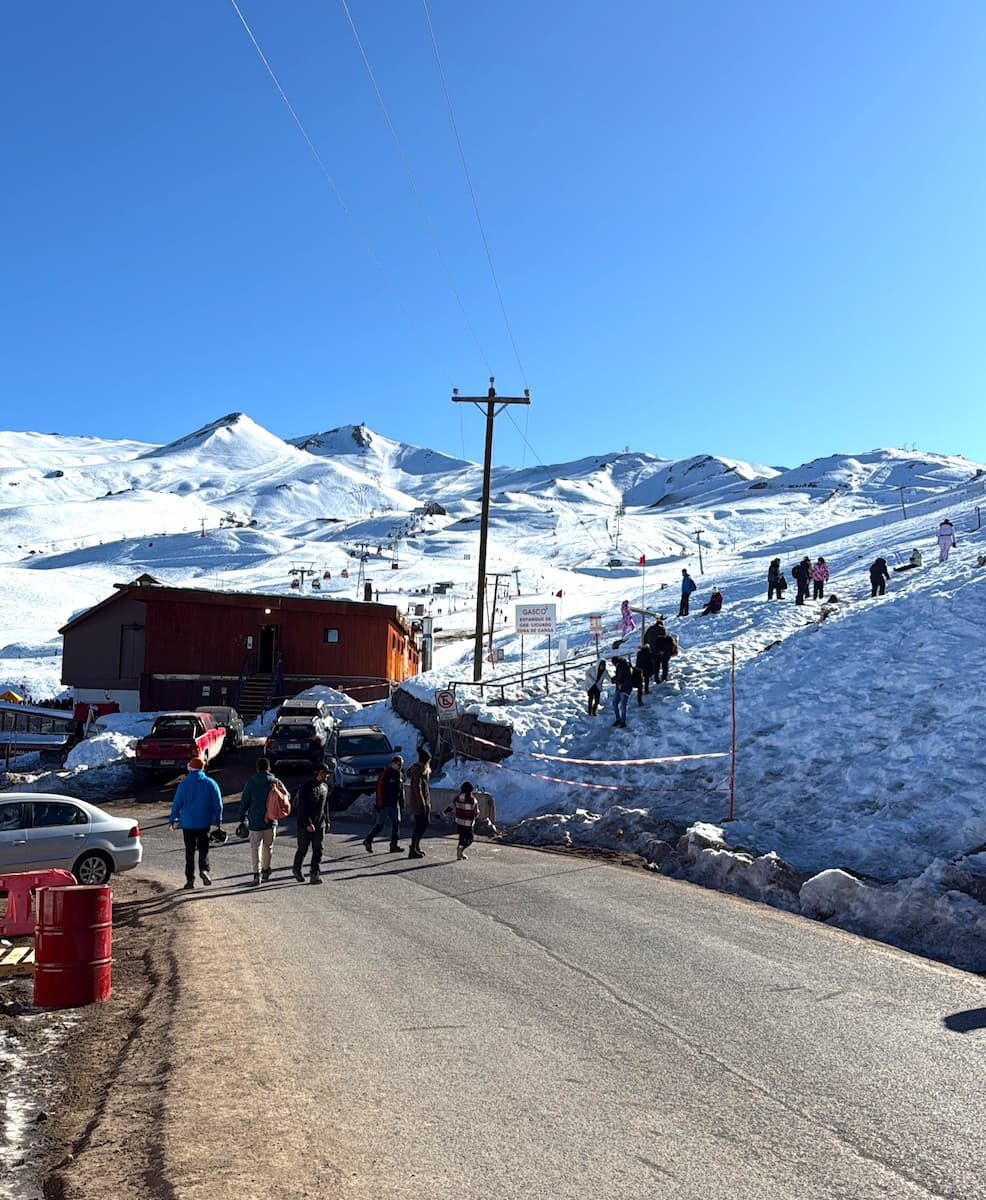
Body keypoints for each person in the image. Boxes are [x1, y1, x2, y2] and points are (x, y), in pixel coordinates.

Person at [169, 756, 223, 890]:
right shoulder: (210, 783)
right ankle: (204, 870)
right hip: (204, 822)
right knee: (203, 849)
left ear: (190, 768)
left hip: (187, 823)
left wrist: (172, 819)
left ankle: (190, 880)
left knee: (189, 851)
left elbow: (177, 803)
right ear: (203, 768)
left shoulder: (184, 784)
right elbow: (218, 803)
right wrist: (218, 819)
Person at [240, 755, 282, 886]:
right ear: (269, 768)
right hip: (271, 820)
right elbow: (286, 796)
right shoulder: (274, 781)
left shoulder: (251, 782)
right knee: (268, 847)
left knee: (255, 848)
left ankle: (256, 875)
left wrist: (242, 817)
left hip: (255, 821)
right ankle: (266, 870)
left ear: (257, 768)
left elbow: (244, 801)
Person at [292, 761, 330, 884]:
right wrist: (308, 823)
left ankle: (314, 873)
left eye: (327, 774)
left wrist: (327, 820)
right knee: (303, 848)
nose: (326, 776)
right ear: (317, 773)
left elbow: (325, 806)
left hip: (320, 824)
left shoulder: (325, 787)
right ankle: (297, 868)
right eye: (323, 773)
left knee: (318, 849)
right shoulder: (306, 788)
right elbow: (302, 808)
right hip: (305, 824)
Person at [364, 755, 404, 853]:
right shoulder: (385, 774)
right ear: (393, 764)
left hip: (394, 803)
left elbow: (401, 790)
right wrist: (379, 803)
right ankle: (368, 840)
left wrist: (402, 801)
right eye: (398, 764)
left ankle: (394, 845)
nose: (399, 766)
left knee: (396, 824)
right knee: (380, 825)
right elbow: (379, 789)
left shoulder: (399, 775)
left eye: (400, 765)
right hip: (385, 804)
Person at [406, 748, 432, 859]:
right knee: (421, 825)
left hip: (421, 802)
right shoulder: (419, 771)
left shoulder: (419, 770)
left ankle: (416, 846)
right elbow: (418, 789)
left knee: (423, 824)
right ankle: (413, 848)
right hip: (419, 803)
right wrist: (423, 804)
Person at [443, 781, 479, 861]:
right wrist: (475, 817)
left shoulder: (457, 798)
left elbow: (450, 807)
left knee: (461, 837)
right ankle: (462, 849)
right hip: (468, 823)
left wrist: (444, 813)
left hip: (459, 822)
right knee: (470, 839)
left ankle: (460, 854)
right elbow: (476, 812)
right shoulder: (473, 800)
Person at [611, 656, 633, 727]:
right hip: (618, 688)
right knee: (614, 703)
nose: (614, 665)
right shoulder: (618, 666)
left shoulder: (625, 666)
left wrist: (622, 686)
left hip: (625, 689)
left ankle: (623, 721)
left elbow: (628, 678)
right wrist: (614, 679)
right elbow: (619, 676)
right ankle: (618, 719)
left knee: (623, 705)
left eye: (614, 664)